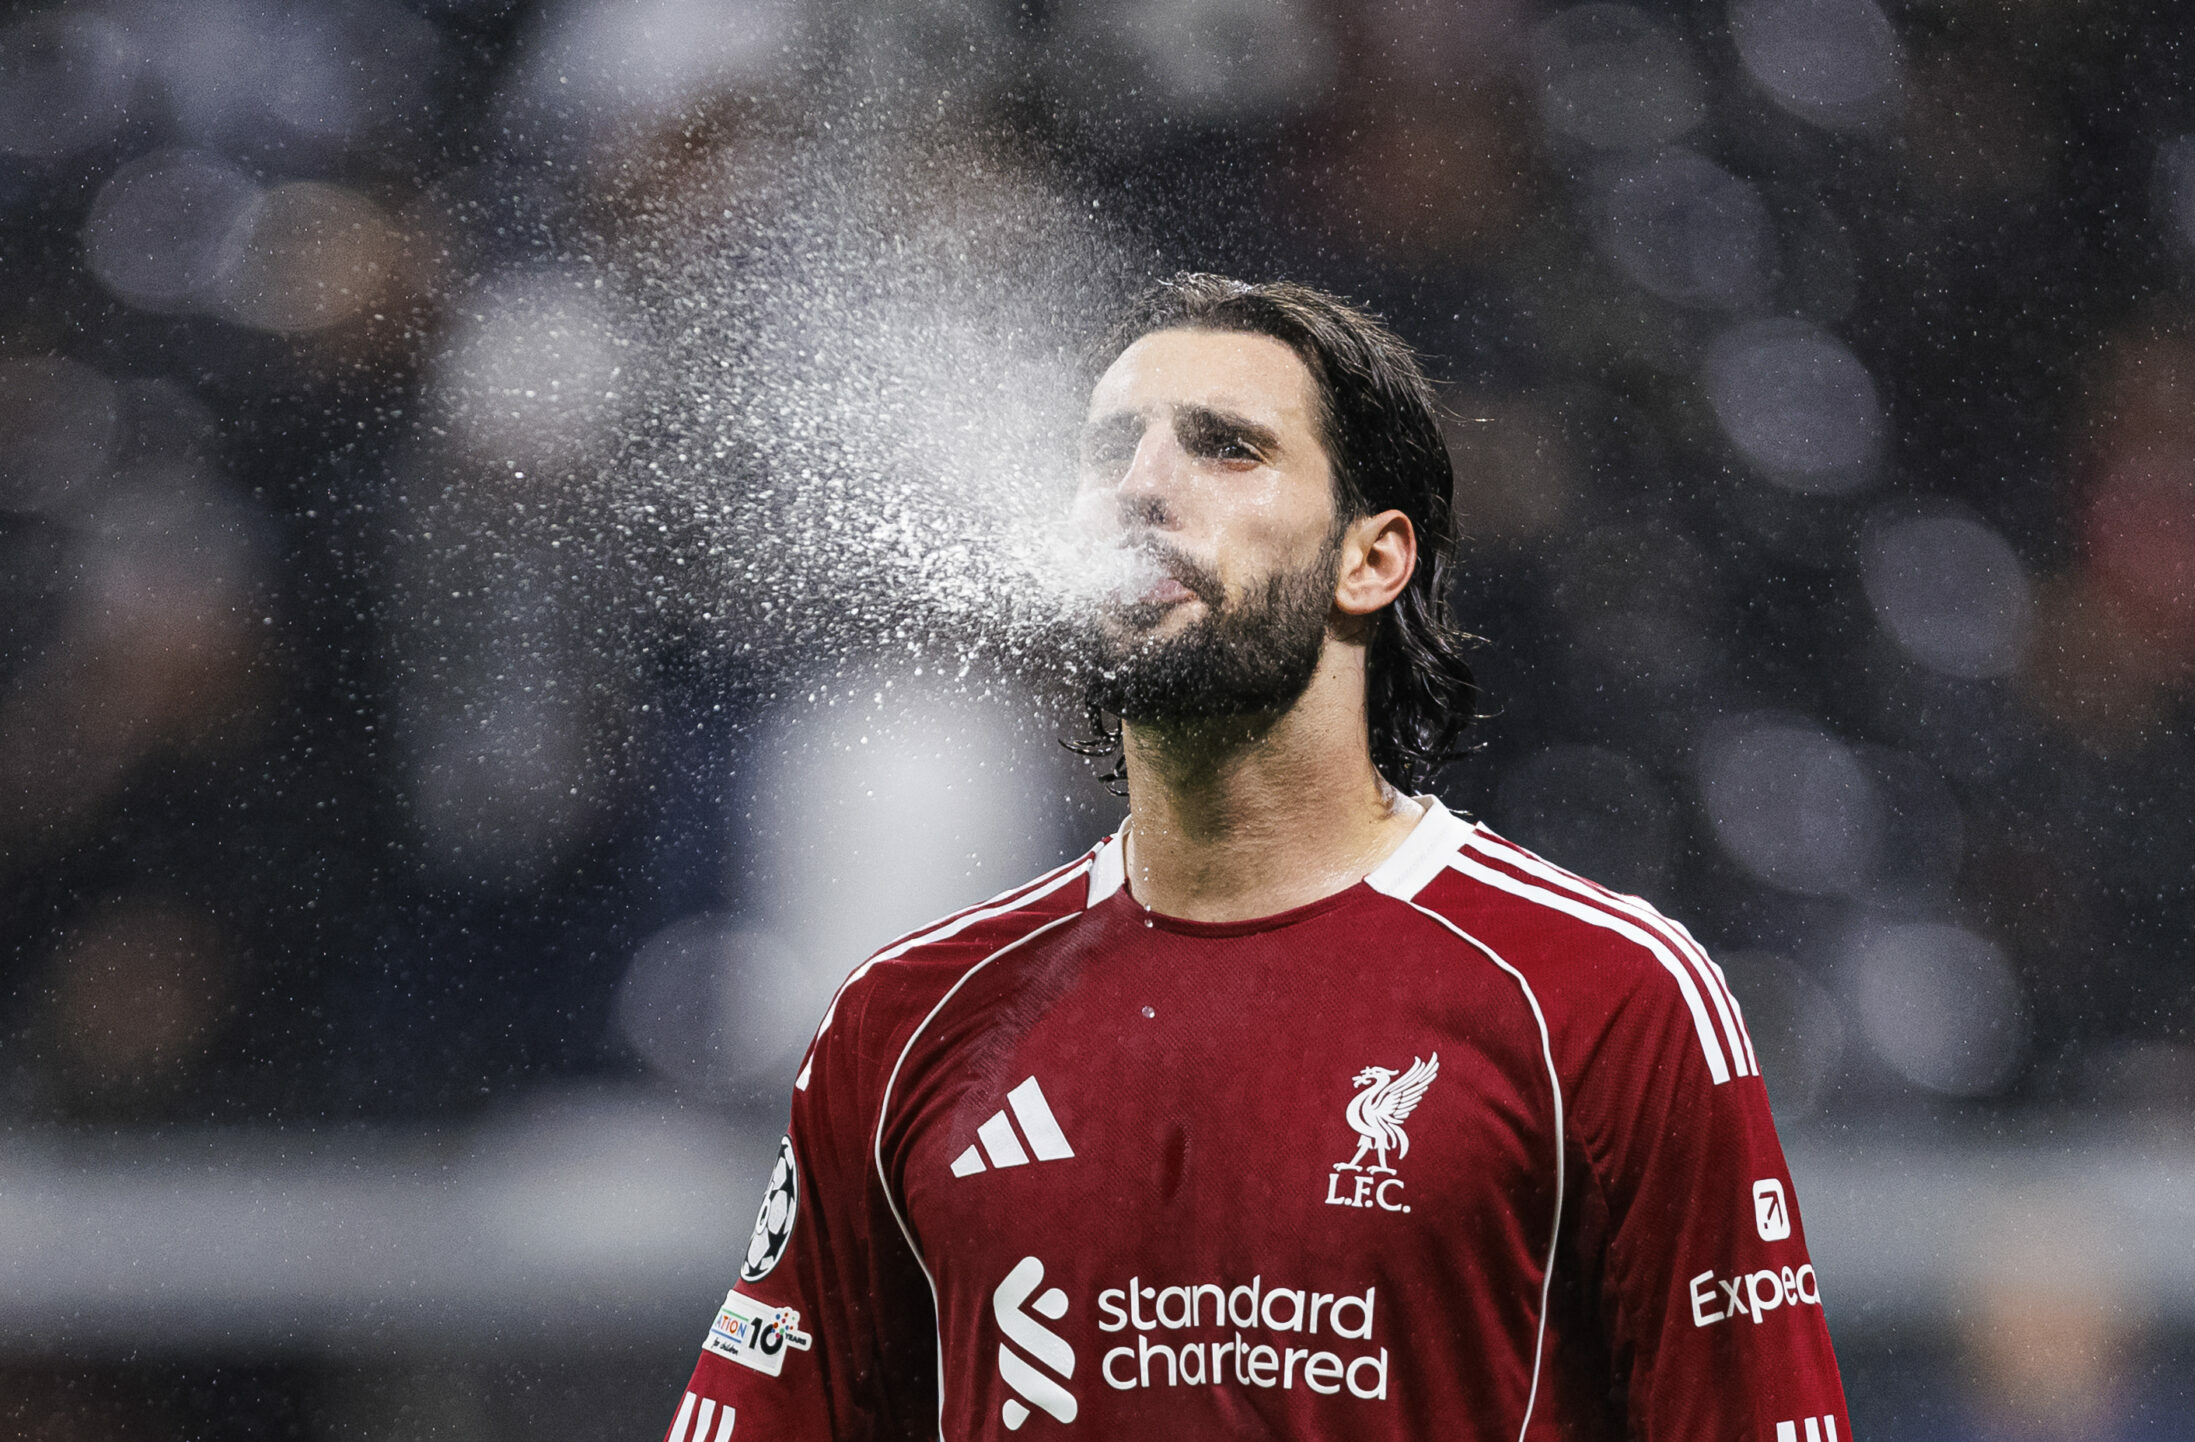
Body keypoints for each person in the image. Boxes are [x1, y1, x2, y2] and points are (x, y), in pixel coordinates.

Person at [662, 275, 1850, 1441]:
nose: (1142, 487)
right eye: (1110, 452)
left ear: (1370, 559)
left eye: (1226, 447)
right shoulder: (904, 1018)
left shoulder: (1603, 994)